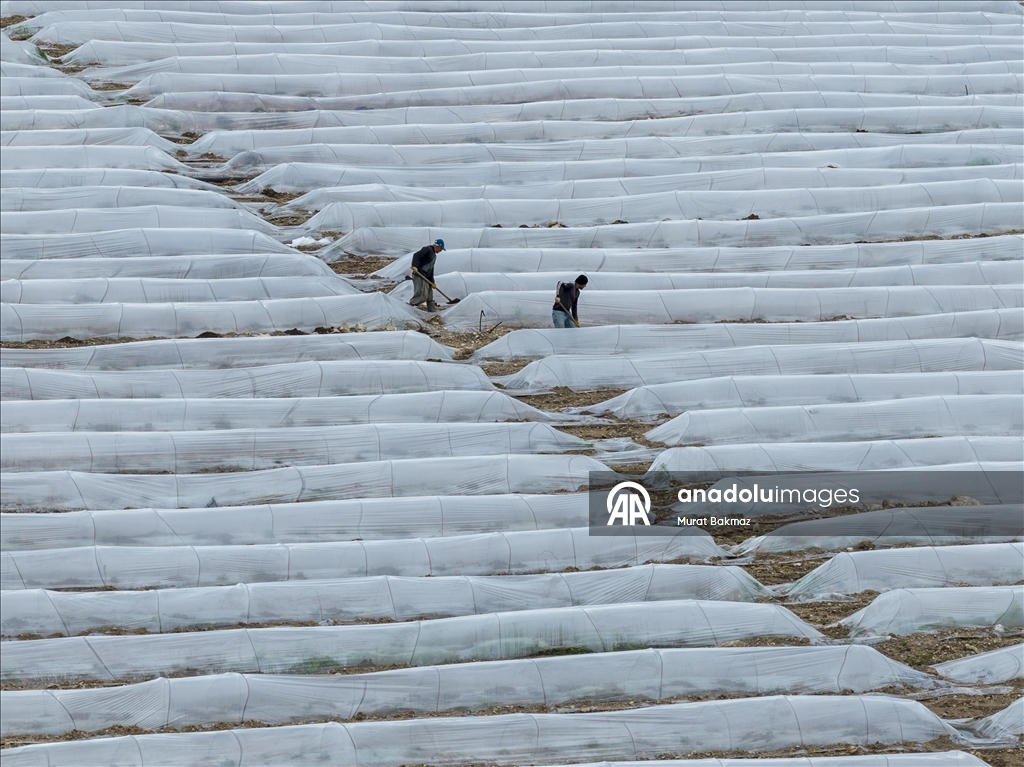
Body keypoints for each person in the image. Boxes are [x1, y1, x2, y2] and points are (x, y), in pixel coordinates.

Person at [408, 239, 445, 312]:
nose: (440, 251)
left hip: (426, 276)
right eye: (441, 249)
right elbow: (416, 255)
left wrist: (432, 282)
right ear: (438, 246)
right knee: (422, 294)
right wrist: (414, 266)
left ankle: (432, 310)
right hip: (419, 275)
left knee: (429, 295)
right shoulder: (427, 249)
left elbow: (431, 269)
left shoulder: (434, 255)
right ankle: (410, 306)